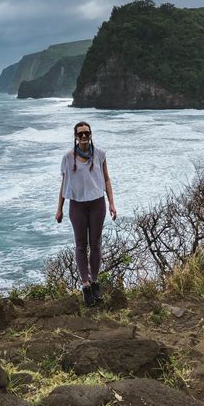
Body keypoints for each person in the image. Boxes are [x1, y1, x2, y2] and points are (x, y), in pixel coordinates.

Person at [55, 121, 117, 306]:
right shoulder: (68, 157)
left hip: (97, 204)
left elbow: (106, 179)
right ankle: (85, 285)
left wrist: (112, 203)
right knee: (81, 246)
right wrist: (59, 208)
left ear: (91, 135)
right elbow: (64, 184)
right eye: (80, 133)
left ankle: (95, 281)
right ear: (75, 136)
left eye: (86, 133)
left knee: (96, 244)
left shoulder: (100, 154)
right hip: (77, 206)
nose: (84, 136)